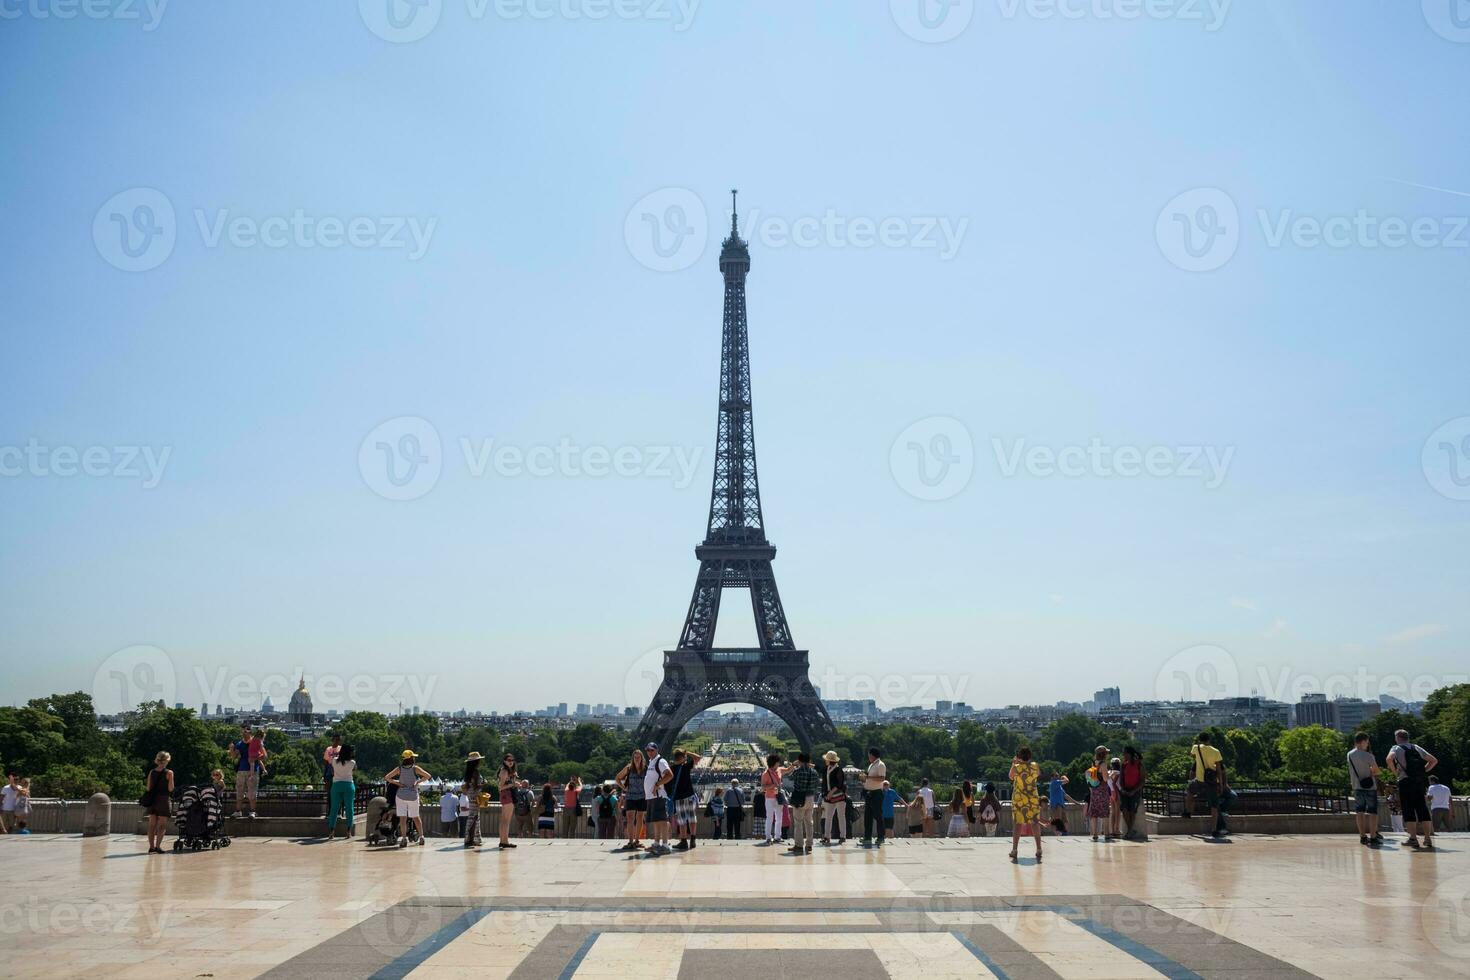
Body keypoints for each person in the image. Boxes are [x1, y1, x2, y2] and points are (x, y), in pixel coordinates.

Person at [1387, 729, 1438, 850]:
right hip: (1419, 782)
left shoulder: (1396, 748)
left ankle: (1413, 838)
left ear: (1397, 738)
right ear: (1407, 737)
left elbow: (1389, 759)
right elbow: (1434, 760)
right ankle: (1427, 838)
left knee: (1408, 809)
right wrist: (1423, 771)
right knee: (1422, 808)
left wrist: (1396, 772)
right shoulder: (1416, 747)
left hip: (1405, 781)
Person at [386, 749, 429, 847]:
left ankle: (404, 838)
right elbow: (427, 776)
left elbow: (387, 777)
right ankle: (421, 837)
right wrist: (417, 782)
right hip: (413, 795)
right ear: (412, 758)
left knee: (402, 818)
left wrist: (397, 783)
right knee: (416, 817)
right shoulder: (415, 768)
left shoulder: (399, 768)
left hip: (401, 795)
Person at [1346, 733, 1381, 847]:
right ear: (1362, 742)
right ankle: (1373, 836)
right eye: (1367, 742)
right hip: (1370, 787)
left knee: (1359, 812)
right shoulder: (1368, 756)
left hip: (1357, 786)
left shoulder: (1349, 755)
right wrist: (1370, 771)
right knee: (1372, 812)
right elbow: (1377, 771)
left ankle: (1362, 836)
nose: (1367, 744)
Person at [1009, 747, 1042, 864]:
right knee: (1035, 823)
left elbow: (1011, 776)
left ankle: (1015, 849)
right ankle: (1038, 848)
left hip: (1019, 798)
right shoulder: (1035, 765)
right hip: (1032, 797)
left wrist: (1014, 763)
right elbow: (1038, 774)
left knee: (1018, 824)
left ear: (1019, 756)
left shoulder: (1016, 767)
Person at [1190, 732, 1226, 840]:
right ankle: (1214, 830)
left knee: (1189, 791)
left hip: (1200, 780)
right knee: (1214, 806)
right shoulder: (1216, 751)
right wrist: (1220, 782)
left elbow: (1192, 755)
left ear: (1200, 740)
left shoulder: (1196, 748)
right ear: (1209, 739)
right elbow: (1219, 770)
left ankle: (1188, 812)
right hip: (1211, 782)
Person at [785, 752, 820, 855]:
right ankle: (809, 844)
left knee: (798, 822)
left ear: (799, 760)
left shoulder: (798, 771)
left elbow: (790, 776)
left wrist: (794, 764)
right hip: (811, 798)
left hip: (800, 799)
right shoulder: (814, 772)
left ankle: (799, 845)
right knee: (809, 822)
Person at [642, 742, 673, 856]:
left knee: (662, 821)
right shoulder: (651, 762)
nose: (649, 752)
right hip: (652, 797)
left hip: (658, 795)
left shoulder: (661, 761)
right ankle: (656, 843)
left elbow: (669, 775)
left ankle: (665, 845)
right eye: (648, 750)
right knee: (656, 820)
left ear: (656, 750)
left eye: (651, 750)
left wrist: (657, 785)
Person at [668, 749, 702, 851]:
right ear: (683, 757)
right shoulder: (686, 766)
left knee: (682, 820)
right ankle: (693, 839)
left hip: (679, 798)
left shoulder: (672, 768)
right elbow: (698, 758)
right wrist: (688, 753)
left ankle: (683, 841)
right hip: (690, 796)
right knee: (692, 817)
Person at [615, 749, 647, 852]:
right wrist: (624, 788)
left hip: (642, 796)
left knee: (639, 818)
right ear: (633, 758)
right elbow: (618, 778)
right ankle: (631, 841)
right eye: (635, 757)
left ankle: (637, 840)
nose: (637, 759)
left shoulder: (645, 768)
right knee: (630, 818)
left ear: (642, 758)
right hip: (630, 796)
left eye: (638, 757)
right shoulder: (629, 768)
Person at [227, 723, 260, 819]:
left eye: (245, 731)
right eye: (242, 730)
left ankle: (252, 811)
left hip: (252, 770)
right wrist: (231, 749)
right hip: (241, 770)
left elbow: (263, 755)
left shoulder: (255, 742)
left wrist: (254, 758)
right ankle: (238, 811)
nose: (243, 733)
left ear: (250, 731)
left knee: (252, 792)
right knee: (239, 791)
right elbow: (234, 756)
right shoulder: (239, 744)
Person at [144, 751, 174, 853]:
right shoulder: (169, 773)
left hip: (153, 800)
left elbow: (148, 788)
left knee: (151, 825)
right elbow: (170, 789)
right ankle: (158, 846)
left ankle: (151, 847)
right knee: (162, 825)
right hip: (164, 800)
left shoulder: (152, 772)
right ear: (167, 760)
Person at [325, 744, 357, 840]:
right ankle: (348, 832)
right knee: (349, 808)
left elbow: (331, 768)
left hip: (336, 785)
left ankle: (331, 831)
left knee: (334, 809)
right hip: (348, 785)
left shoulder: (334, 760)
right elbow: (354, 770)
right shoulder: (352, 762)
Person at [861, 747, 887, 847]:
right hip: (869, 793)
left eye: (869, 755)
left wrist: (868, 777)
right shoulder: (872, 765)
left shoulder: (881, 765)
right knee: (868, 816)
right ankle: (867, 837)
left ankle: (881, 837)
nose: (868, 757)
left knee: (878, 815)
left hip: (876, 793)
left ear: (872, 755)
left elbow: (882, 778)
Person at [821, 751, 848, 844]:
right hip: (830, 796)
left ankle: (843, 836)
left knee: (840, 816)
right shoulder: (827, 769)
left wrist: (830, 793)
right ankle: (826, 836)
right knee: (828, 816)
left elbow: (839, 784)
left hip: (838, 796)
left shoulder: (838, 770)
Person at [1118, 747, 1144, 840]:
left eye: (1124, 753)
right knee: (1124, 810)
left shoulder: (1139, 764)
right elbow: (1121, 779)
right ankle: (1130, 830)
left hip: (1135, 790)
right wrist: (1123, 790)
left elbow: (1142, 780)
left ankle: (1129, 832)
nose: (1123, 755)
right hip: (1125, 790)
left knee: (1132, 811)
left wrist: (1134, 791)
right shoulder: (1123, 765)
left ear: (1129, 754)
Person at [759, 753, 785, 845]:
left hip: (777, 797)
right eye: (778, 762)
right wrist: (773, 785)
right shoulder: (765, 774)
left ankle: (777, 836)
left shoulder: (779, 770)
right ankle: (768, 837)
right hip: (770, 798)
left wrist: (793, 765)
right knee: (769, 818)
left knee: (779, 818)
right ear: (774, 763)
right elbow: (763, 787)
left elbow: (788, 770)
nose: (779, 764)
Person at [1085, 746, 1111, 841]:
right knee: (1105, 812)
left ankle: (1095, 834)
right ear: (1104, 754)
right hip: (1102, 791)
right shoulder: (1103, 764)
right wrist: (1109, 775)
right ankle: (1107, 833)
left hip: (1094, 790)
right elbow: (1105, 778)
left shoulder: (1094, 763)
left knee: (1094, 813)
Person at [496, 754, 519, 849]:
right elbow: (500, 787)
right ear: (504, 761)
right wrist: (513, 784)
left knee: (504, 820)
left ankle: (503, 841)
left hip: (506, 795)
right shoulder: (504, 771)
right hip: (507, 795)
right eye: (509, 760)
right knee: (506, 820)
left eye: (512, 760)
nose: (511, 761)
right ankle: (504, 842)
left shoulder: (506, 771)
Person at [462, 752, 484, 848]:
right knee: (474, 817)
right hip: (475, 796)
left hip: (470, 796)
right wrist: (483, 784)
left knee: (472, 817)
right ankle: (472, 839)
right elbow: (475, 786)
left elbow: (468, 786)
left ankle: (471, 838)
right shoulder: (475, 772)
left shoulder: (468, 772)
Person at [1107, 758, 1123, 839]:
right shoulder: (1118, 772)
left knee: (1113, 812)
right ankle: (1117, 829)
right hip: (1117, 792)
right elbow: (1115, 784)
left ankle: (1112, 830)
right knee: (1118, 812)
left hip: (1110, 793)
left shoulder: (1109, 772)